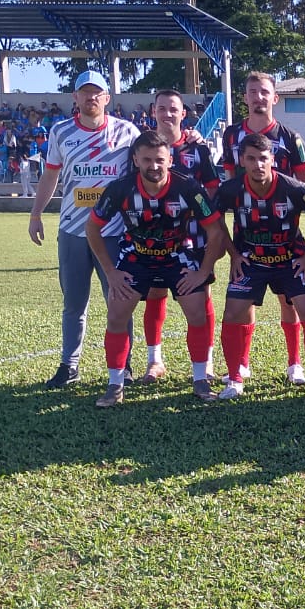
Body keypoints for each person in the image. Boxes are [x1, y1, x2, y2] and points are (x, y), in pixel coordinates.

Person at [85, 130, 224, 407]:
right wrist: (111, 272)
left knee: (197, 311)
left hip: (177, 255)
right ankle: (115, 383)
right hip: (137, 256)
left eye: (159, 159)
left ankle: (199, 378)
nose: (154, 165)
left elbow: (215, 231)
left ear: (169, 159)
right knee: (116, 314)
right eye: (147, 159)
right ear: (136, 159)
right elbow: (92, 227)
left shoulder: (187, 187)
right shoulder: (121, 188)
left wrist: (202, 271)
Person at [29, 71, 142, 388]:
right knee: (74, 304)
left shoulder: (127, 132)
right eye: (85, 93)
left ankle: (125, 365)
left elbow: (148, 165)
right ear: (75, 98)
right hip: (72, 232)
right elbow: (50, 177)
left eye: (97, 93)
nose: (91, 98)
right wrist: (36, 214)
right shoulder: (61, 132)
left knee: (119, 302)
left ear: (107, 98)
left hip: (114, 233)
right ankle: (69, 365)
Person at [220, 72, 305, 387]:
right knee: (245, 299)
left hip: (286, 232)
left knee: (289, 301)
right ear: (245, 97)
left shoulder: (292, 138)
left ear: (274, 98)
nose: (259, 98)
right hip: (247, 232)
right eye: (253, 92)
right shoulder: (232, 135)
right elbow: (229, 183)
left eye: (265, 92)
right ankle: (242, 364)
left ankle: (295, 364)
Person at [138, 89, 221, 384]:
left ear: (183, 114)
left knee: (201, 296)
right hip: (155, 235)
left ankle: (206, 362)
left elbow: (212, 188)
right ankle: (154, 360)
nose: (168, 114)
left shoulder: (197, 149)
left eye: (173, 109)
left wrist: (203, 217)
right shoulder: (142, 147)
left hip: (194, 237)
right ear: (153, 111)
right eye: (162, 108)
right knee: (154, 294)